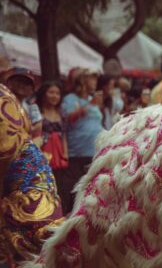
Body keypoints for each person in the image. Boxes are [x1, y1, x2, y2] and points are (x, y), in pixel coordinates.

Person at [0, 83, 63, 265]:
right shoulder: (6, 93)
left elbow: (6, 148)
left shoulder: (4, 96)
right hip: (27, 178)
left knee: (35, 243)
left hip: (25, 184)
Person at [59, 68, 104, 214]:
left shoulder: (91, 99)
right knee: (75, 187)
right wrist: (90, 105)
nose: (95, 82)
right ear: (82, 81)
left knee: (90, 187)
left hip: (95, 150)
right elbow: (68, 119)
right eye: (92, 78)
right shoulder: (70, 99)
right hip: (77, 151)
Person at [2, 67, 43, 141]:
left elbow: (38, 127)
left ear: (32, 90)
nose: (21, 85)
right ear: (9, 83)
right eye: (18, 81)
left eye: (26, 83)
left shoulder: (32, 108)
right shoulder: (2, 101)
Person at [37, 81, 69, 171]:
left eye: (57, 93)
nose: (55, 96)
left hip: (58, 152)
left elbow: (64, 134)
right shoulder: (37, 111)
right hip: (42, 151)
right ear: (43, 94)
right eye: (51, 92)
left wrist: (65, 153)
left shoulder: (62, 113)